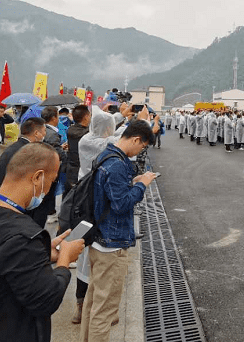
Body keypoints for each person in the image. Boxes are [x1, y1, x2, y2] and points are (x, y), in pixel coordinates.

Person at [0, 143, 85, 342]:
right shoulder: (23, 236)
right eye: (52, 181)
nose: (49, 189)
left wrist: (42, 252)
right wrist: (64, 260)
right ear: (37, 177)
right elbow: (46, 300)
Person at [80, 120, 157, 342]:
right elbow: (122, 204)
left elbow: (110, 193)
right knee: (105, 311)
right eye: (142, 147)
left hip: (99, 239)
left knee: (93, 303)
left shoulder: (106, 156)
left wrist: (132, 182)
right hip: (111, 245)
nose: (140, 151)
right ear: (136, 140)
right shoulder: (118, 165)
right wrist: (142, 185)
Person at [0, 118, 51, 228]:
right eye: (44, 131)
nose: (44, 134)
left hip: (2, 201)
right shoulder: (29, 152)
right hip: (17, 205)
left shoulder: (13, 148)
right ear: (36, 133)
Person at [66, 105, 91, 192]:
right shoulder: (87, 133)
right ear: (86, 117)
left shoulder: (70, 129)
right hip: (82, 169)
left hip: (71, 169)